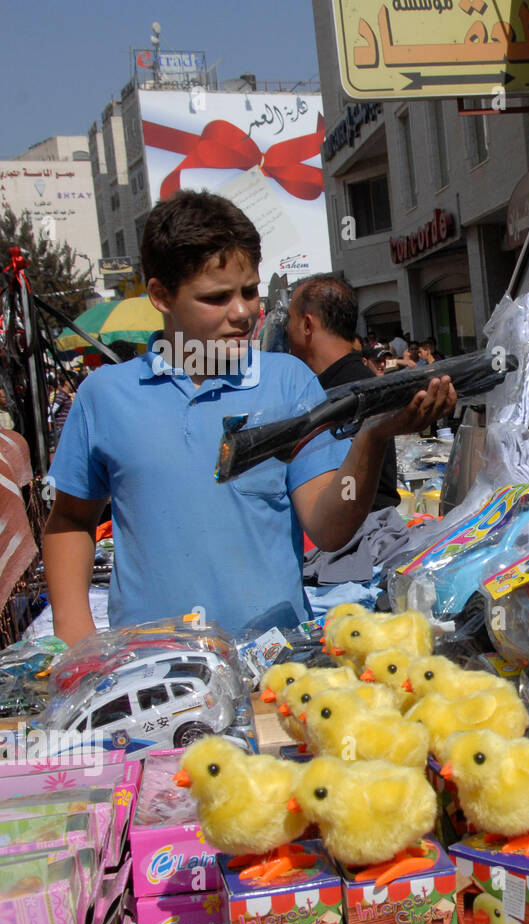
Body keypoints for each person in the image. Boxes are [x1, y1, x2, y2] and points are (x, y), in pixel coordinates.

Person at [43, 191, 456, 645]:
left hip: (272, 665)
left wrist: (373, 439)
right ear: (161, 296)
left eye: (249, 291)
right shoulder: (104, 396)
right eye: (216, 297)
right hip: (151, 670)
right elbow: (70, 520)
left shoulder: (289, 384)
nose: (242, 312)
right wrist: (76, 637)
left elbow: (330, 525)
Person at [286, 274, 400, 514]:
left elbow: (359, 489)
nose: (286, 329)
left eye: (289, 319)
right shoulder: (327, 385)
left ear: (307, 325)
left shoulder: (352, 392)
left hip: (355, 536)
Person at [49, 372, 76, 446]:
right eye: (73, 380)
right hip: (61, 429)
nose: (74, 383)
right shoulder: (61, 395)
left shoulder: (66, 395)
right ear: (66, 382)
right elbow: (51, 411)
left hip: (65, 429)